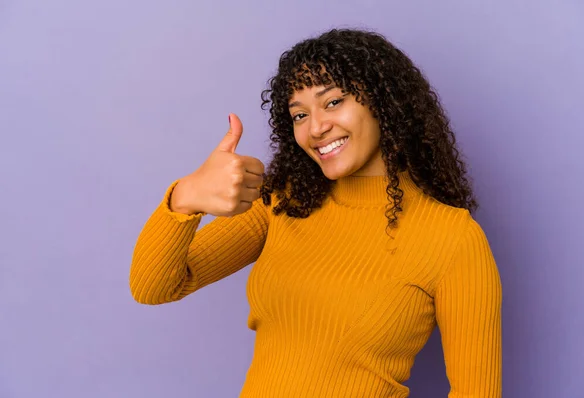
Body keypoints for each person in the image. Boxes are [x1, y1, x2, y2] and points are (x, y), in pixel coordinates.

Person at [129, 28, 502, 397]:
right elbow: (154, 287)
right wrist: (185, 198)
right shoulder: (284, 204)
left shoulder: (454, 239)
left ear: (384, 103)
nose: (317, 128)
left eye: (334, 102)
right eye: (299, 115)